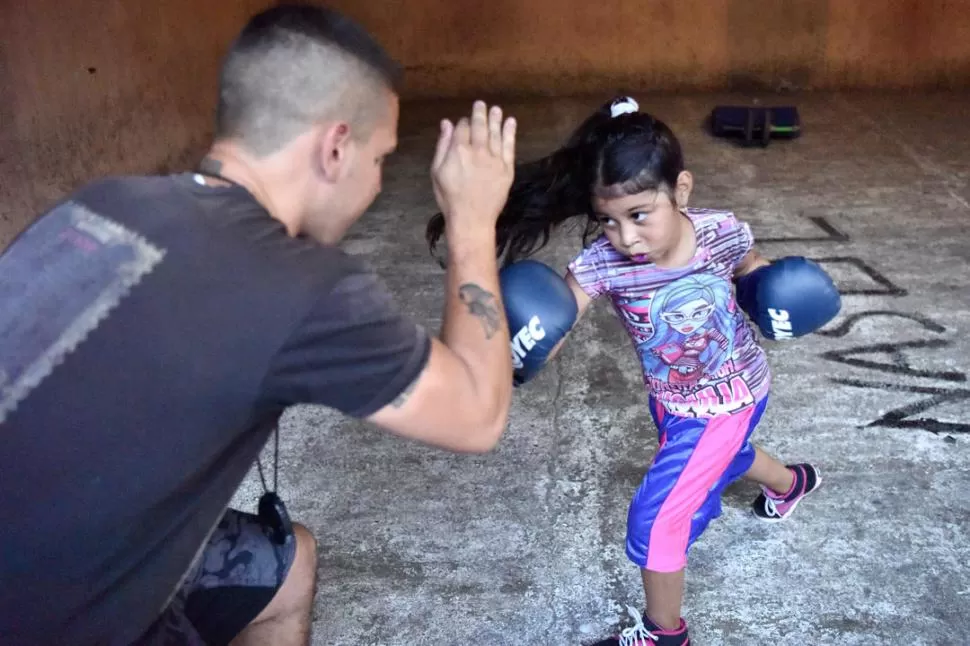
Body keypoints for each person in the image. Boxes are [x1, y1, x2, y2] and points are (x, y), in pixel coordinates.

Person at [0, 4, 519, 645]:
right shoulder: (301, 285)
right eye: (381, 158)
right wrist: (472, 219)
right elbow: (478, 414)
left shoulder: (101, 200)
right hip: (45, 620)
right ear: (335, 148)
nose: (379, 183)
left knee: (286, 564)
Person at [428, 96, 840, 645]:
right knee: (730, 456)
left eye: (639, 214)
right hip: (672, 398)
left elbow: (749, 263)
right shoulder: (604, 262)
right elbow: (561, 316)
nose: (625, 237)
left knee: (658, 521)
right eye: (608, 220)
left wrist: (769, 287)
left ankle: (664, 634)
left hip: (731, 395)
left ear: (682, 191)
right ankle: (792, 484)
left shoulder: (719, 232)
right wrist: (516, 352)